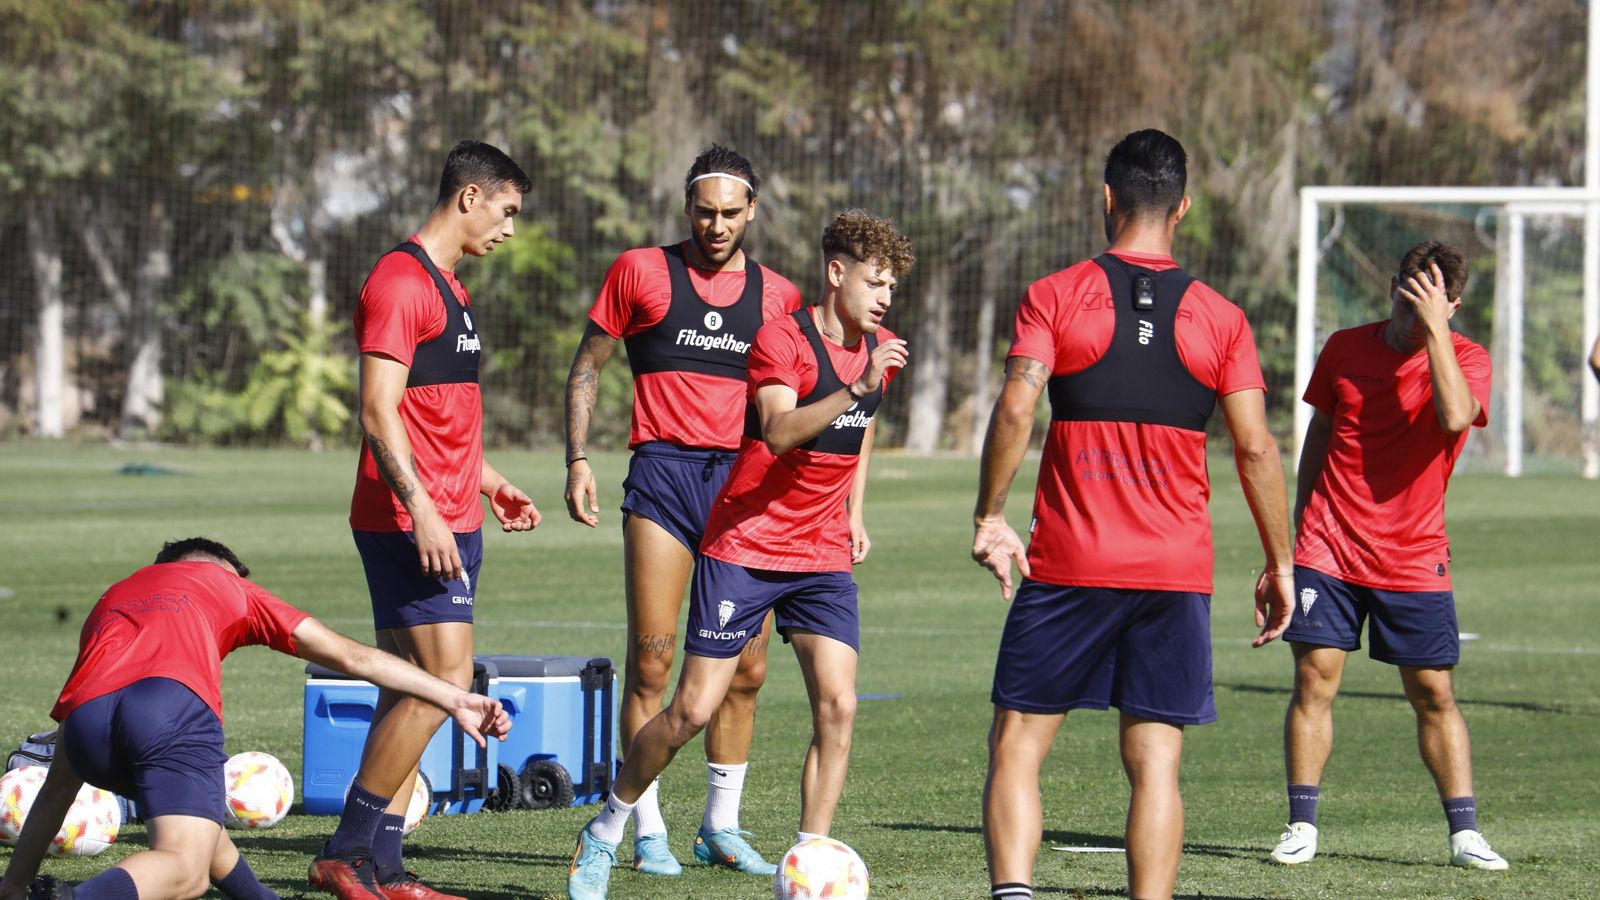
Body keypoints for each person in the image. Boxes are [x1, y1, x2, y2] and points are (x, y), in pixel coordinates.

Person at [970, 129, 1295, 900]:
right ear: (1183, 208)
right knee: (1156, 763)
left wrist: (990, 516)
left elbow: (1016, 407)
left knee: (1018, 746)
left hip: (1070, 565)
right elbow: (1256, 448)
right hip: (1174, 573)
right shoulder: (1221, 318)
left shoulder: (1054, 295)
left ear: (1107, 197)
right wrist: (1281, 562)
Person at [565, 210, 914, 900]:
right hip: (748, 545)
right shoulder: (782, 339)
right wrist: (856, 386)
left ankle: (810, 860)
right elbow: (779, 429)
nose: (884, 298)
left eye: (892, 288)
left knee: (838, 706)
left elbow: (863, 427)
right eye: (874, 282)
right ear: (836, 272)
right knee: (691, 710)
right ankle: (605, 829)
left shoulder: (882, 350)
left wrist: (853, 510)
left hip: (820, 553)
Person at [0, 538, 511, 900]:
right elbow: (354, 657)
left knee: (195, 827)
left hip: (86, 719)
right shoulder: (231, 587)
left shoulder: (116, 593)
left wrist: (14, 885)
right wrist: (454, 696)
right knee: (186, 871)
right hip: (170, 706)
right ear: (226, 570)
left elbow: (56, 791)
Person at [561, 144, 801, 876]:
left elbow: (794, 405)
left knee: (748, 668)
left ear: (752, 210)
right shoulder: (640, 272)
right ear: (686, 208)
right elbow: (587, 364)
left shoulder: (781, 296)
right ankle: (648, 832)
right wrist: (577, 458)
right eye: (704, 211)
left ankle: (720, 827)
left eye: (730, 213)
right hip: (663, 478)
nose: (716, 225)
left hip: (746, 490)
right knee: (652, 664)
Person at [312, 140, 541, 900]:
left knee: (404, 690)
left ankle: (382, 868)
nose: (509, 228)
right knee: (445, 682)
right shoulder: (400, 281)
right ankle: (346, 852)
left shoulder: (452, 289)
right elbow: (378, 411)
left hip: (451, 514)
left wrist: (490, 483)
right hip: (411, 522)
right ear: (469, 197)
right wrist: (423, 511)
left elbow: (436, 417)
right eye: (506, 210)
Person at [1269, 242, 1507, 871]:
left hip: (1413, 553)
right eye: (1404, 293)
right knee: (1313, 680)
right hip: (1328, 543)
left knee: (1433, 693)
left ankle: (1465, 834)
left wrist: (1434, 330)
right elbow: (1320, 432)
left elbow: (1455, 417)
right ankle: (1301, 824)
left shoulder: (1468, 358)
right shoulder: (1345, 347)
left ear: (1452, 305)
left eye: (1425, 299)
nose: (1408, 309)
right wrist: (1300, 529)